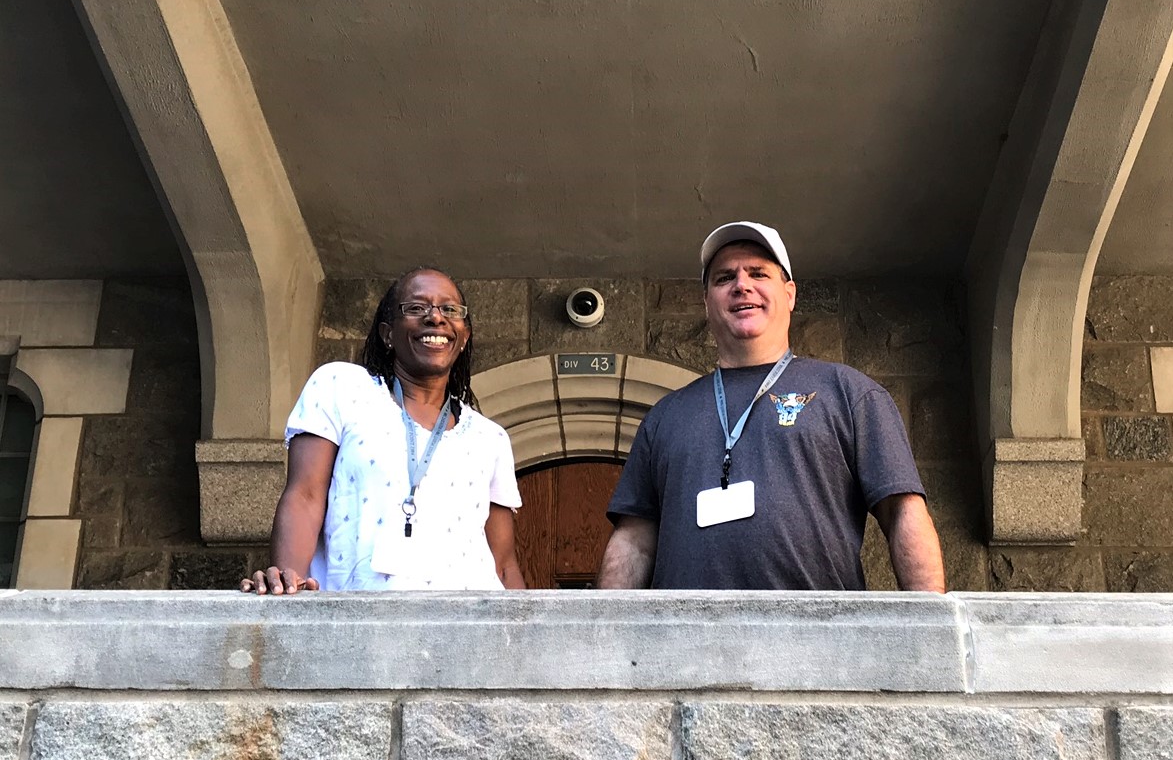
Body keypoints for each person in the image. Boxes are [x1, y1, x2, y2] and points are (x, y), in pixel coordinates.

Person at [597, 221, 945, 591]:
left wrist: (930, 619)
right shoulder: (664, 417)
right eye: (724, 278)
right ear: (707, 303)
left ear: (789, 294)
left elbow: (903, 510)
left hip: (817, 628)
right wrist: (605, 625)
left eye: (758, 273)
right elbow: (633, 541)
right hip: (684, 629)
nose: (741, 285)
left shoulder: (850, 393)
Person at [241, 267, 526, 594]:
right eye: (416, 307)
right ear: (388, 334)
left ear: (463, 337)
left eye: (450, 309)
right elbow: (305, 496)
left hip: (468, 620)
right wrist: (287, 585)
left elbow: (504, 565)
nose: (436, 317)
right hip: (357, 615)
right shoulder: (341, 387)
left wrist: (529, 625)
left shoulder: (489, 438)